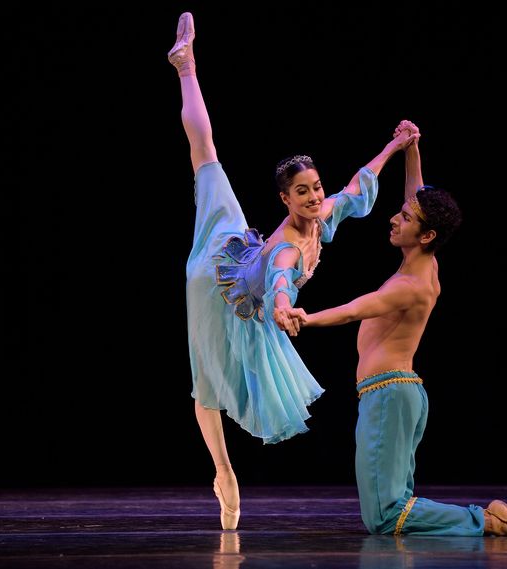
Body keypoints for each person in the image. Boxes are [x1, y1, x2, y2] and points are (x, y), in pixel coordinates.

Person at [167, 12, 418, 530]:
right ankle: (224, 473)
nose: (314, 197)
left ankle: (186, 65)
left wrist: (395, 146)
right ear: (285, 199)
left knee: (207, 155)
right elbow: (281, 277)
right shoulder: (287, 246)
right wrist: (282, 307)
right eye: (302, 192)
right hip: (219, 289)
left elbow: (357, 187)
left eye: (316, 187)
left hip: (234, 248)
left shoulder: (322, 214)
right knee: (206, 383)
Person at [285, 120, 507, 536]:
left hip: (389, 395)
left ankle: (485, 519)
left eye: (405, 218)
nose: (394, 218)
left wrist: (307, 317)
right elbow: (417, 194)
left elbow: (356, 309)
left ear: (426, 235)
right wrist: (411, 148)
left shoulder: (410, 286)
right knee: (394, 507)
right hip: (396, 394)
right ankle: (485, 520)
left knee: (385, 516)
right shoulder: (426, 260)